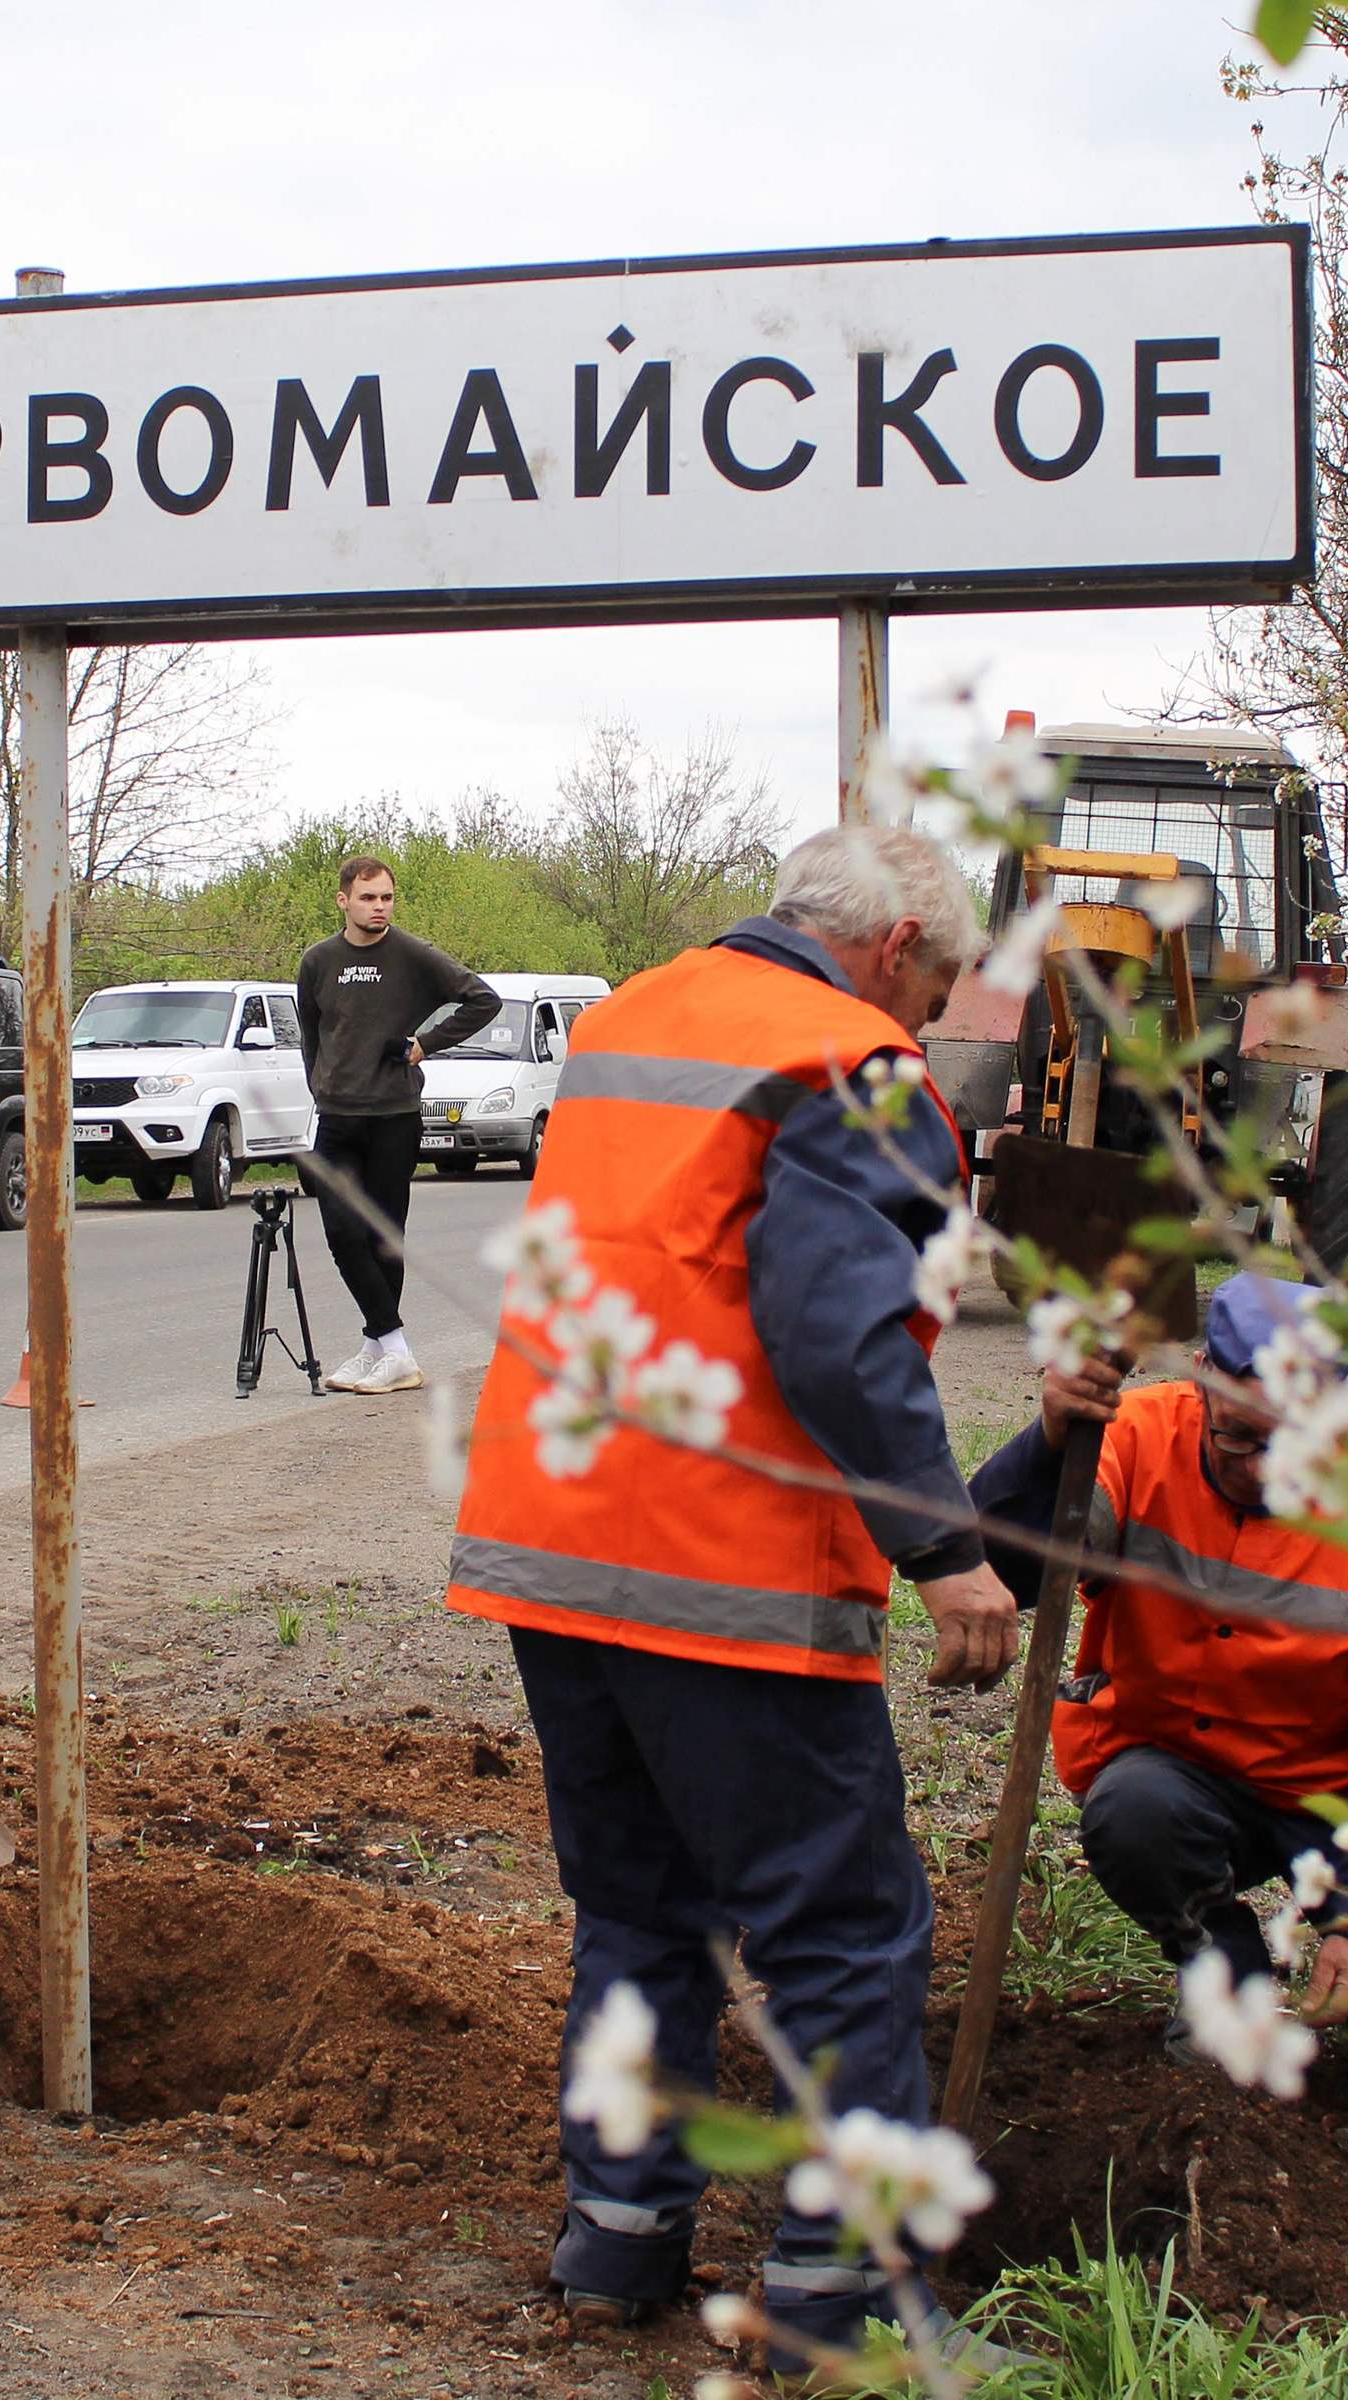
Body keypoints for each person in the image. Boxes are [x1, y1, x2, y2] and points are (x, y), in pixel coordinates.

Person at [442, 824, 1021, 2364]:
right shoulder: (855, 1062)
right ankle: (848, 2297)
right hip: (725, 1561)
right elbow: (837, 1335)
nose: (927, 1030)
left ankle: (618, 2244)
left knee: (641, 1911)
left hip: (553, 1538)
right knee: (842, 1928)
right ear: (897, 948)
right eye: (939, 991)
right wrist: (945, 1547)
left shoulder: (632, 1015)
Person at [964, 1276, 1348, 2080]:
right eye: (1237, 1439)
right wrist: (1050, 1439)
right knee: (1134, 1814)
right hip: (1174, 1780)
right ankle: (1225, 1975)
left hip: (1333, 1808)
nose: (1264, 1469)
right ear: (1201, 1378)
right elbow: (1006, 1572)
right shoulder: (1132, 1441)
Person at [293, 854, 496, 1394]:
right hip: (337, 1118)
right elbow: (312, 1034)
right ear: (343, 900)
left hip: (393, 1117)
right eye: (367, 898)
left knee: (384, 1237)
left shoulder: (411, 954)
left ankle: (380, 1349)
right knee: (341, 1231)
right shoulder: (318, 961)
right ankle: (392, 1348)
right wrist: (320, 1085)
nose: (378, 907)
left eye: (386, 897)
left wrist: (425, 1045)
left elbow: (483, 1000)